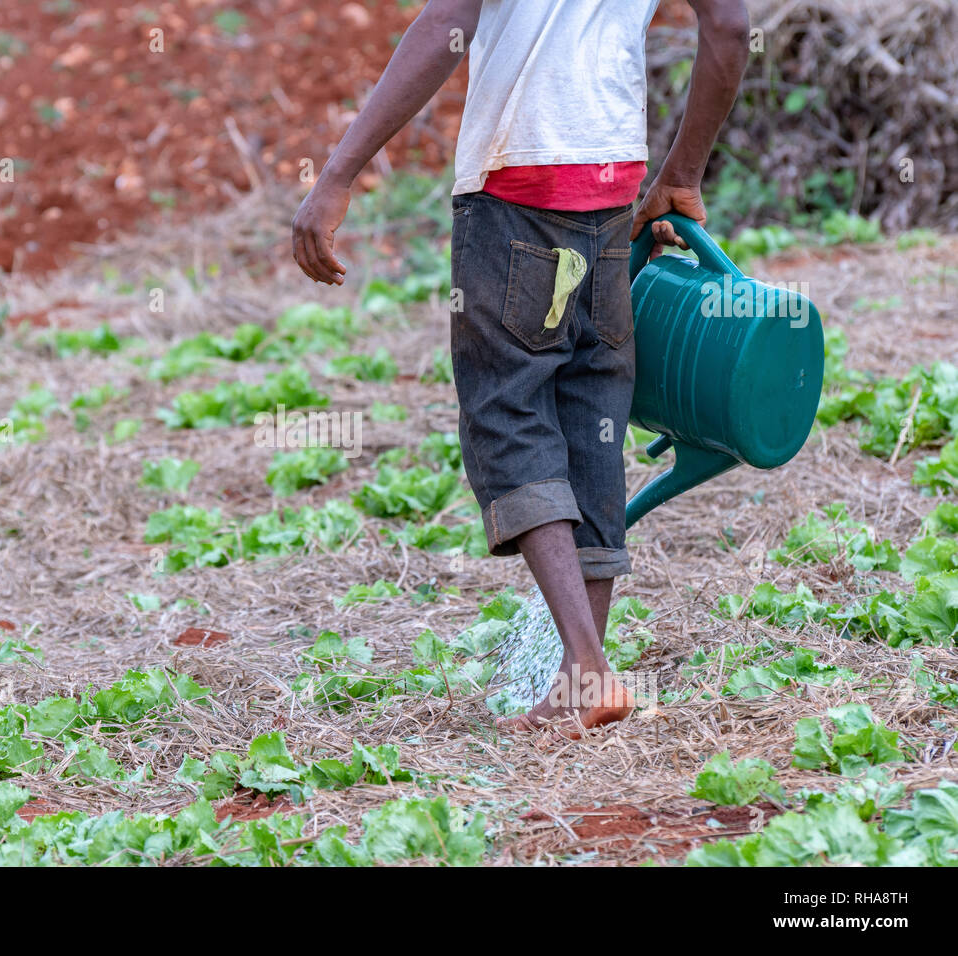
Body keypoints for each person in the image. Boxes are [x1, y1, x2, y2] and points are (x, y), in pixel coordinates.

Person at [291, 0, 750, 735]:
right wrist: (682, 170)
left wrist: (338, 174)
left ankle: (587, 668)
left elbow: (446, 22)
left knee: (508, 410)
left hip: (516, 186)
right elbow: (728, 25)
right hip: (610, 181)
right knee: (590, 421)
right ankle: (579, 678)